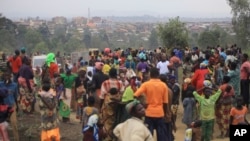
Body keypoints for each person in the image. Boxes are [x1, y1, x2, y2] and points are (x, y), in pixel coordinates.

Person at [134, 67, 168, 141]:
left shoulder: (146, 84)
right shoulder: (163, 85)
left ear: (150, 75)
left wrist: (143, 105)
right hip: (160, 113)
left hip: (149, 113)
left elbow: (135, 95)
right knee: (162, 137)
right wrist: (164, 114)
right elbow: (165, 103)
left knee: (148, 136)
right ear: (158, 75)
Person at [99, 68, 124, 141]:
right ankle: (114, 137)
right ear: (116, 74)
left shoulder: (105, 83)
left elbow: (102, 96)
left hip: (107, 105)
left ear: (109, 74)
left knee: (107, 121)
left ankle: (107, 137)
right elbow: (122, 94)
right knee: (116, 120)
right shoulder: (120, 83)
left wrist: (101, 107)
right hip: (117, 105)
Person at [0, 72, 19, 141]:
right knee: (2, 125)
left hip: (11, 106)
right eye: (5, 76)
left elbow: (15, 96)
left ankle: (16, 139)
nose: (7, 78)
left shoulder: (14, 85)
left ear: (11, 77)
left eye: (8, 76)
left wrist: (17, 106)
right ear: (3, 77)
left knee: (14, 124)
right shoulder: (0, 84)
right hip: (2, 108)